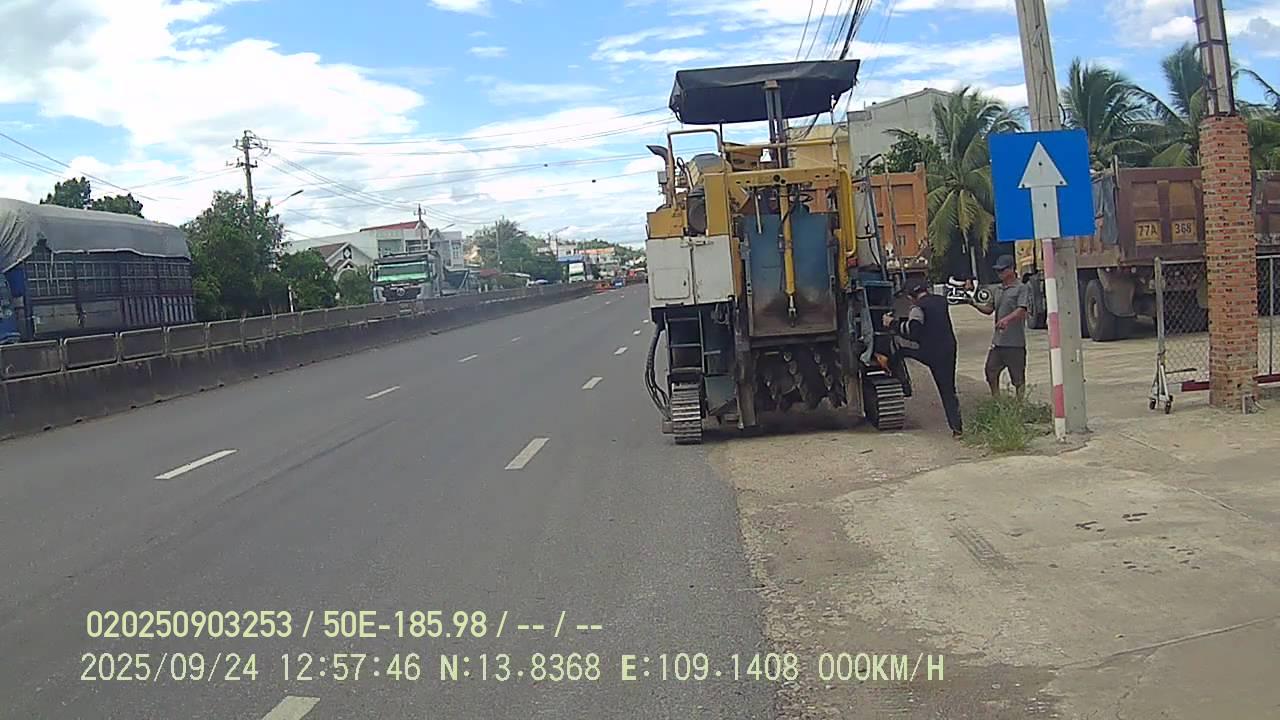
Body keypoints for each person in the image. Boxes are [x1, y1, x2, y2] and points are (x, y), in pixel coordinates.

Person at [883, 281, 963, 437]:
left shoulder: (917, 308)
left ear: (910, 296)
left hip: (930, 353)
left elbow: (913, 332)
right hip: (949, 349)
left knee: (900, 352)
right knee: (948, 390)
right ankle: (957, 428)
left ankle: (895, 375)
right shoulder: (941, 301)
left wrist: (892, 324)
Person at [978, 255, 1031, 400]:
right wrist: (972, 303)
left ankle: (1020, 404)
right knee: (990, 370)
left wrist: (1007, 320)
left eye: (1002, 270)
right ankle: (996, 399)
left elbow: (1022, 310)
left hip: (1015, 343)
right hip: (998, 342)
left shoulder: (1021, 288)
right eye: (998, 270)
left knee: (1018, 378)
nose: (999, 273)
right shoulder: (998, 289)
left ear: (1012, 270)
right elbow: (989, 309)